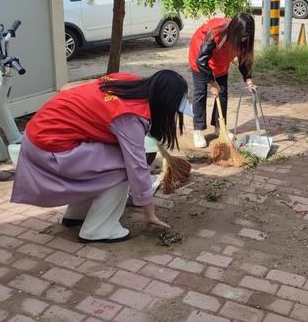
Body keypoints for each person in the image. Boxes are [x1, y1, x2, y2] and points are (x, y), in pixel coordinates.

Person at [11, 70, 190, 243]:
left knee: (105, 163)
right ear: (164, 102)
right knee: (122, 167)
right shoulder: (130, 116)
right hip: (51, 147)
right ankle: (99, 229)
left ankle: (77, 214)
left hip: (40, 132)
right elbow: (136, 166)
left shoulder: (129, 82)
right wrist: (149, 212)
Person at [188, 13, 257, 148]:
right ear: (234, 31)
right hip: (200, 58)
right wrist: (212, 82)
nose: (244, 39)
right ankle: (198, 130)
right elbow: (201, 61)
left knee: (222, 94)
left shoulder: (244, 38)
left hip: (221, 62)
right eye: (242, 36)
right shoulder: (215, 33)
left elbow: (243, 60)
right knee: (200, 93)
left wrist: (248, 79)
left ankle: (220, 127)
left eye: (246, 36)